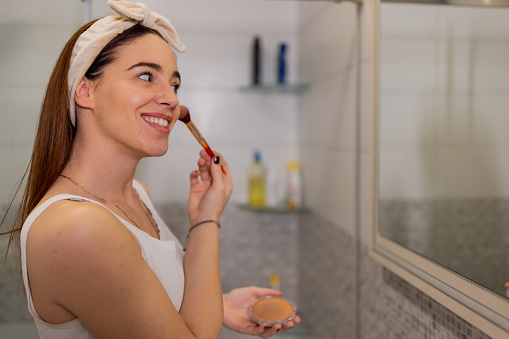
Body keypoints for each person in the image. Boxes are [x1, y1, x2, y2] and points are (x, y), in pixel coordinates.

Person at [0, 1, 300, 338]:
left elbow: (139, 301)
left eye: (174, 85)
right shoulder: (77, 228)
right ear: (85, 90)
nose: (171, 99)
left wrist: (220, 302)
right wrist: (206, 221)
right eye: (146, 76)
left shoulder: (136, 195)